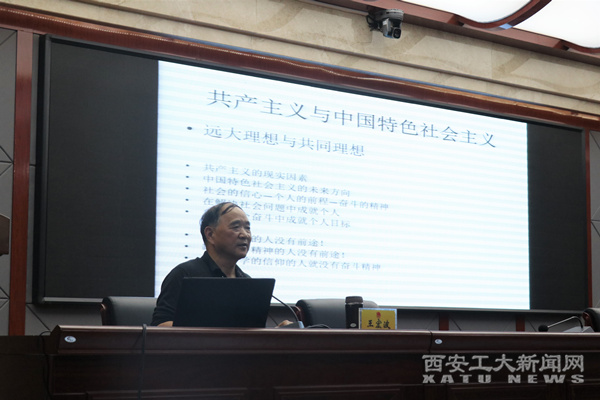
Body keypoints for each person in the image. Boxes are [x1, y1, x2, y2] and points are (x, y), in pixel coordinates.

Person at [151, 202, 252, 326]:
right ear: (210, 234)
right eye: (235, 227)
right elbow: (160, 325)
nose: (245, 235)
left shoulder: (247, 282)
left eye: (247, 228)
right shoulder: (185, 274)